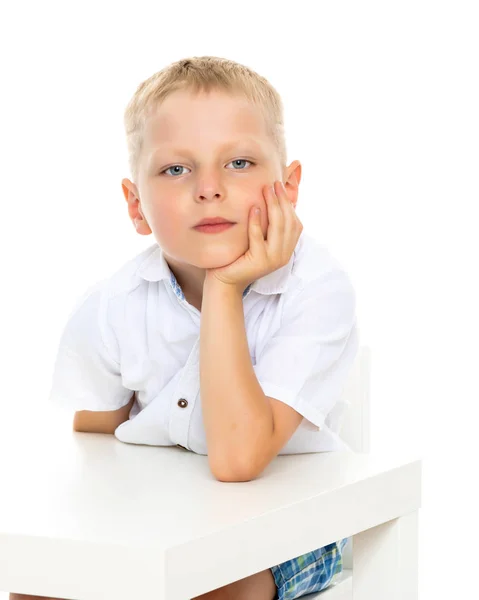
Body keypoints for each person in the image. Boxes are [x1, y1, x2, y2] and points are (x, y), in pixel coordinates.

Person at [12, 56, 358, 600]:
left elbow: (239, 460)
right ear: (136, 206)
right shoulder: (113, 304)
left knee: (213, 590)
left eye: (239, 162)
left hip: (292, 528)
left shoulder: (318, 289)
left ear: (288, 188)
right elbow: (97, 456)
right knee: (41, 584)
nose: (209, 188)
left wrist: (224, 288)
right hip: (161, 521)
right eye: (177, 169)